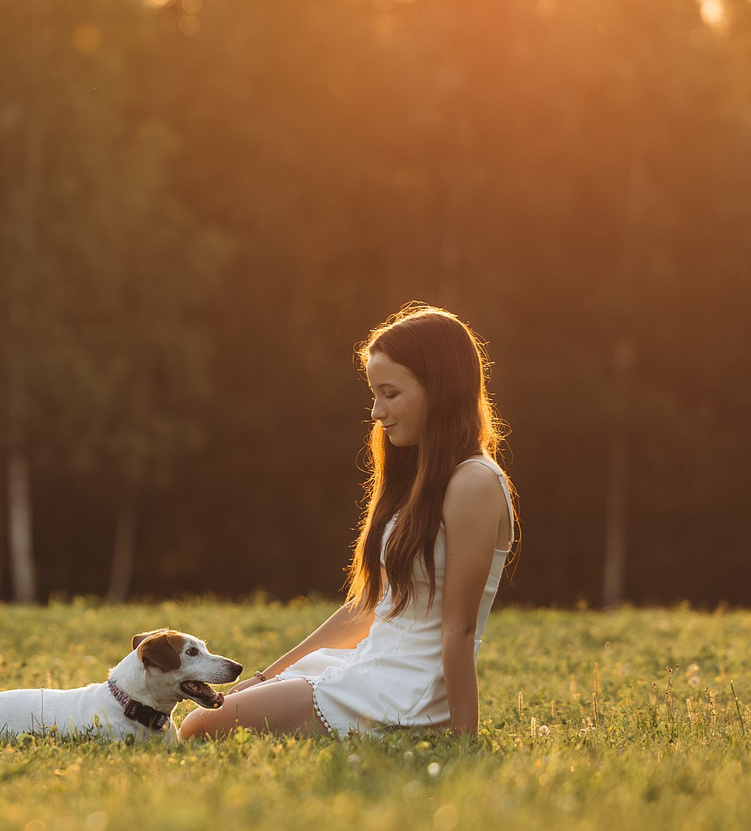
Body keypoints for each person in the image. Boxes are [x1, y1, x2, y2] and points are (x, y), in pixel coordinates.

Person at [180, 304, 517, 740]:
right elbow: (368, 606)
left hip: (406, 692)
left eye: (390, 394)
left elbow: (460, 629)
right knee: (211, 717)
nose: (377, 411)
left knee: (200, 726)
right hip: (371, 666)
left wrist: (463, 739)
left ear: (440, 390)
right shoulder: (416, 476)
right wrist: (265, 677)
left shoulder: (474, 482)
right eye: (374, 394)